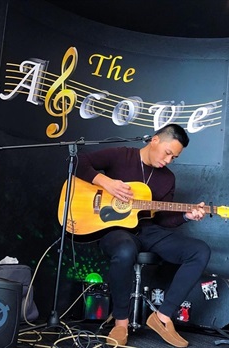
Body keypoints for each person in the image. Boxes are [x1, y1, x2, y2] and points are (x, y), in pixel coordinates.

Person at [76, 124, 211, 347]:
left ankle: (162, 317)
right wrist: (106, 182)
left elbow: (163, 220)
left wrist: (186, 216)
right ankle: (121, 324)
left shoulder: (167, 179)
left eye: (173, 158)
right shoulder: (121, 156)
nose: (168, 160)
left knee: (200, 250)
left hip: (148, 230)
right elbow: (78, 162)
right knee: (125, 249)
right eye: (168, 153)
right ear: (155, 140)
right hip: (114, 230)